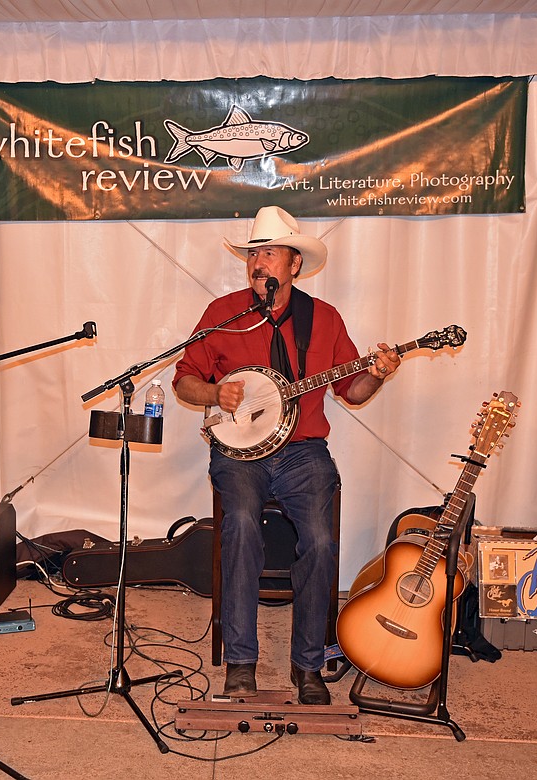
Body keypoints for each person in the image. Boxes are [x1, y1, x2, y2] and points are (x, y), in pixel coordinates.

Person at [172, 206, 401, 705]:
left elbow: (353, 392)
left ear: (294, 264)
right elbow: (185, 379)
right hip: (239, 454)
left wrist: (379, 372)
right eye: (254, 253)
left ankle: (308, 665)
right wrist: (216, 396)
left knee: (320, 541)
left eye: (269, 253)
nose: (259, 263)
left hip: (303, 453)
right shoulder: (223, 313)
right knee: (241, 526)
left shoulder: (324, 319)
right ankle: (240, 661)